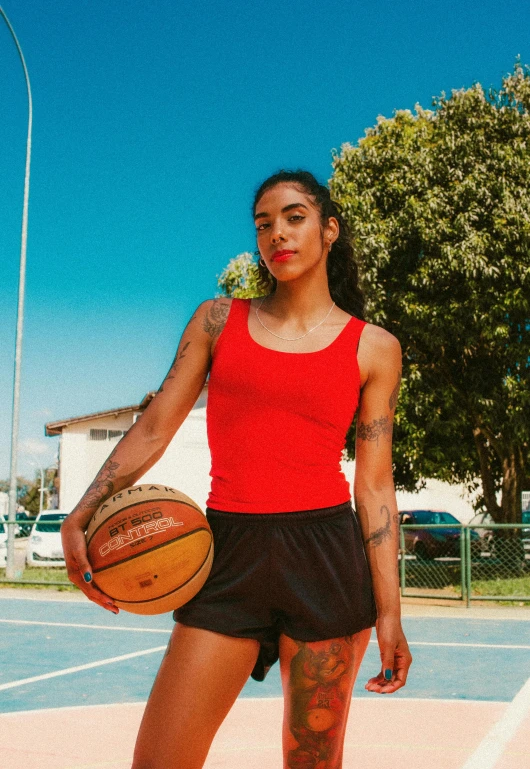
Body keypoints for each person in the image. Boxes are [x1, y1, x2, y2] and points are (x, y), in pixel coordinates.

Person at [61, 169, 412, 769]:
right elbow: (154, 427)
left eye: (294, 217)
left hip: (325, 560)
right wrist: (84, 510)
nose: (277, 233)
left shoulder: (372, 347)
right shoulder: (217, 321)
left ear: (329, 230)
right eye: (263, 224)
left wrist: (391, 612)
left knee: (312, 764)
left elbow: (374, 484)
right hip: (227, 553)